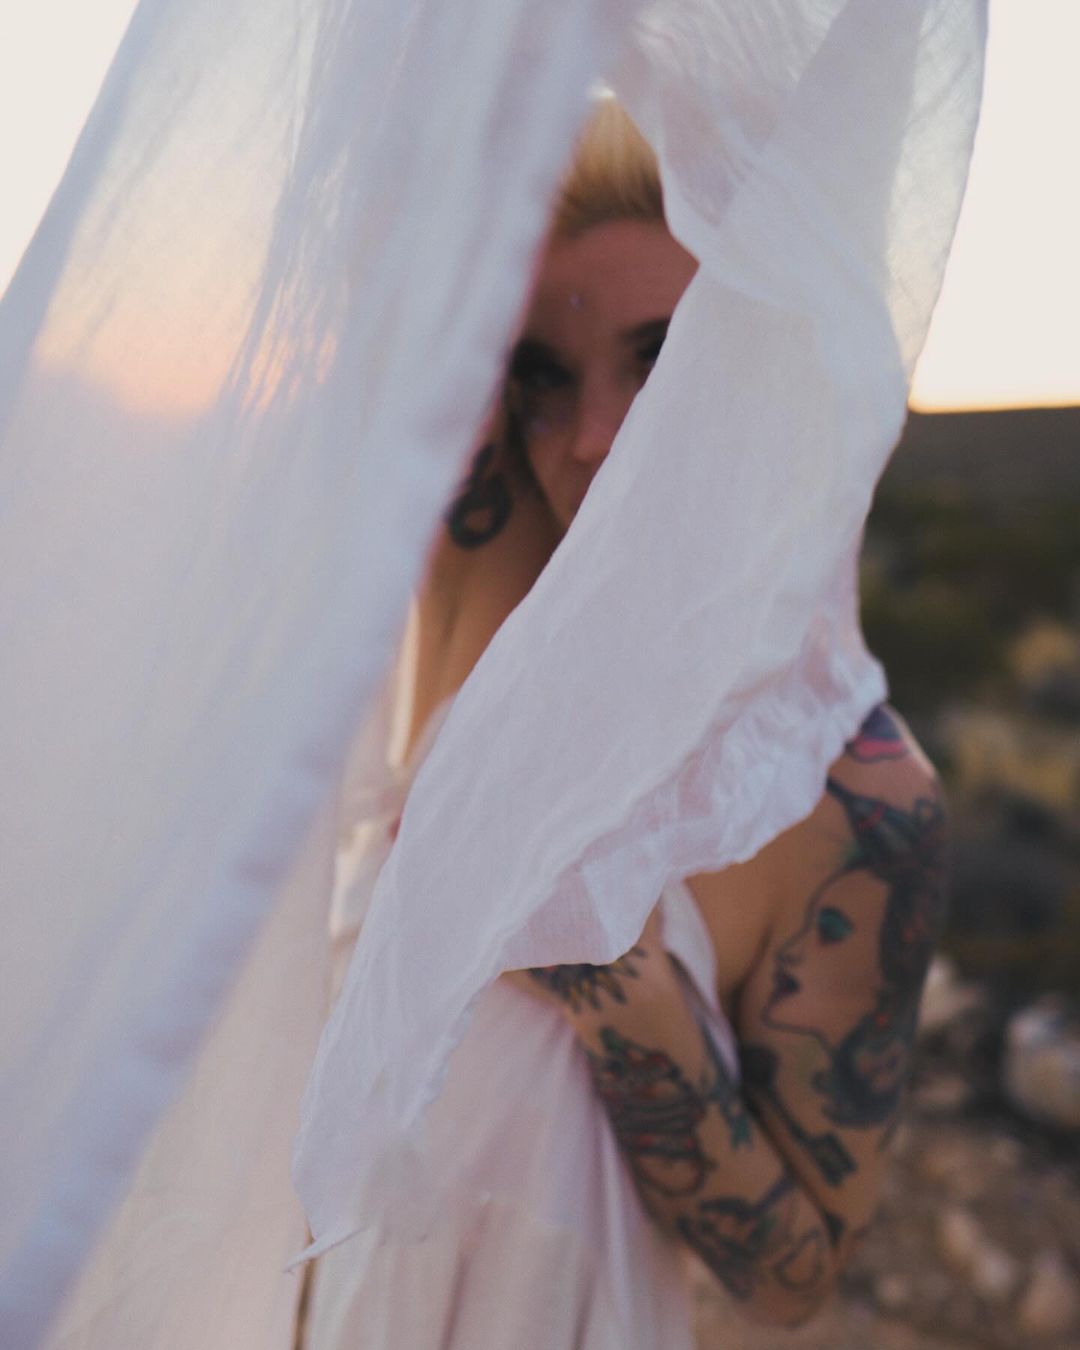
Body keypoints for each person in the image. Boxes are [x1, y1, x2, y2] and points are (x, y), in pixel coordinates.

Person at [302, 98, 946, 1348]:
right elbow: (375, 200)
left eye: (664, 360)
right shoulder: (492, 577)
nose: (591, 439)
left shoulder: (855, 798)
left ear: (786, 369)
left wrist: (624, 991)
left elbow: (794, 1277)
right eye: (545, 378)